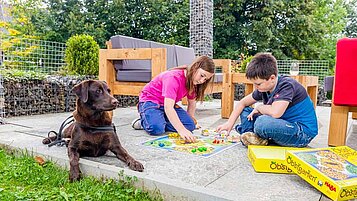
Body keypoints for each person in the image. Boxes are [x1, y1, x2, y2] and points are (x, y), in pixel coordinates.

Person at [216, 53, 318, 147]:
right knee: (246, 111)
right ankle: (254, 136)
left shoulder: (287, 85)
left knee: (262, 122)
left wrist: (260, 107)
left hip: (301, 132)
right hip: (282, 124)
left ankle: (254, 135)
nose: (255, 87)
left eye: (258, 84)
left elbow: (275, 113)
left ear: (272, 78)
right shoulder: (264, 87)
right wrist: (229, 123)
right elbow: (242, 103)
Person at [131, 55, 215, 142]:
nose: (201, 81)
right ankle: (144, 121)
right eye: (202, 75)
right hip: (150, 101)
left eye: (205, 79)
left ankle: (159, 119)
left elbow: (192, 103)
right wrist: (181, 130)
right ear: (195, 67)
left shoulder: (193, 83)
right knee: (157, 129)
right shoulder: (173, 77)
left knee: (190, 126)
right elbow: (169, 108)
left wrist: (191, 120)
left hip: (166, 104)